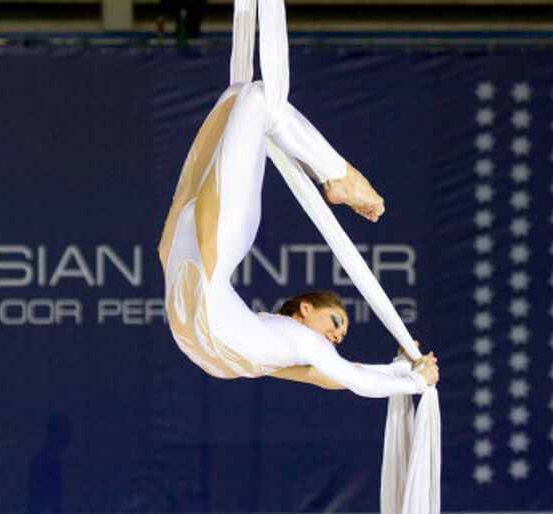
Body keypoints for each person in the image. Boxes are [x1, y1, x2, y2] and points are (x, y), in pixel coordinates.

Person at [159, 81, 438, 397]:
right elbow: (349, 377)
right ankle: (339, 176)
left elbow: (336, 377)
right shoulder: (294, 340)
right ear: (305, 308)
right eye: (335, 322)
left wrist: (406, 374)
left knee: (252, 97)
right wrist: (409, 377)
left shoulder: (290, 347)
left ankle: (337, 175)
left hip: (183, 255)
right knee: (244, 98)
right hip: (205, 260)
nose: (336, 335)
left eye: (340, 334)